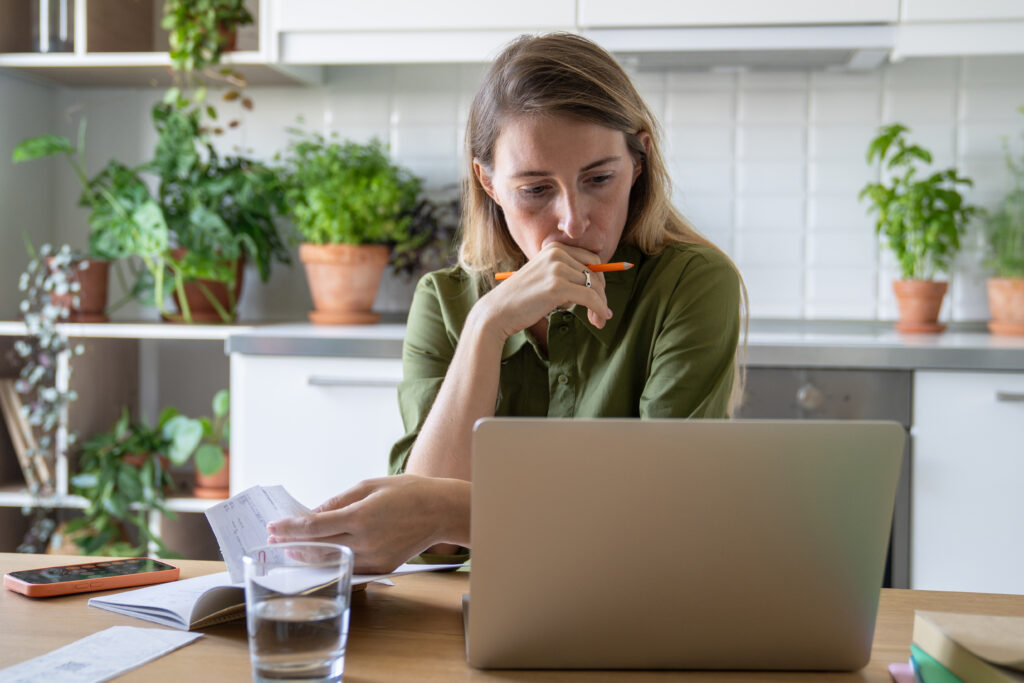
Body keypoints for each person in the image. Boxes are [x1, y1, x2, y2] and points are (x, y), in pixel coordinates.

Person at [267, 32, 746, 572]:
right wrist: (486, 326)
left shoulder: (692, 283)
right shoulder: (446, 301)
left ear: (639, 162)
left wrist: (448, 511)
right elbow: (430, 547)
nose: (572, 220)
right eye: (536, 190)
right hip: (461, 616)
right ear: (488, 183)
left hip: (625, 604)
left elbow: (663, 517)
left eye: (599, 178)